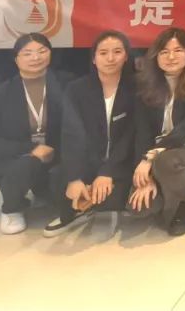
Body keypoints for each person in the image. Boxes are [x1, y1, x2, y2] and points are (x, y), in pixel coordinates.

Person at [43, 30, 137, 237]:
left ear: (126, 56)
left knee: (109, 197)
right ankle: (77, 210)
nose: (110, 58)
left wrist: (107, 172)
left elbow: (130, 137)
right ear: (94, 58)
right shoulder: (76, 89)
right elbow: (72, 134)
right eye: (103, 53)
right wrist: (75, 177)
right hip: (89, 160)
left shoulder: (137, 88)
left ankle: (105, 207)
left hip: (122, 162)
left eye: (117, 52)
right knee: (58, 178)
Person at [128, 28, 185, 236]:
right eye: (164, 52)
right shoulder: (145, 82)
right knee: (140, 207)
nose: (171, 57)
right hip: (157, 152)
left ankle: (183, 210)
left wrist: (151, 157)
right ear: (155, 55)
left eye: (178, 50)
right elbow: (142, 131)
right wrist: (145, 173)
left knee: (166, 162)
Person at [0, 33, 65, 235]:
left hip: (58, 155)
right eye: (27, 53)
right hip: (18, 158)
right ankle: (12, 208)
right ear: (16, 59)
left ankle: (45, 191)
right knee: (24, 165)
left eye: (42, 51)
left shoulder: (66, 84)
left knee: (61, 196)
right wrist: (31, 148)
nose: (36, 57)